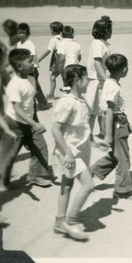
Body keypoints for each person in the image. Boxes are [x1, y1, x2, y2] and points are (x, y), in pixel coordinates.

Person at [0, 49, 54, 190]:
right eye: (30, 61)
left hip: (29, 121)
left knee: (41, 147)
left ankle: (35, 175)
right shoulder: (14, 84)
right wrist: (34, 123)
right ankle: (1, 180)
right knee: (10, 154)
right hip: (15, 124)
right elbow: (17, 109)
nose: (34, 63)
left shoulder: (32, 78)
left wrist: (36, 113)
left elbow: (30, 100)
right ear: (19, 66)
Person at [89, 54, 132, 201]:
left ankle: (93, 171)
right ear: (124, 70)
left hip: (117, 121)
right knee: (123, 157)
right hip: (116, 123)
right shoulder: (113, 86)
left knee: (117, 155)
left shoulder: (110, 82)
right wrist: (109, 134)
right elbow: (110, 110)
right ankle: (123, 189)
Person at [52, 64, 94, 241]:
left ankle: (59, 222)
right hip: (70, 153)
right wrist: (68, 153)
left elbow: (80, 128)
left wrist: (96, 140)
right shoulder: (67, 102)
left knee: (67, 185)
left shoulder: (80, 100)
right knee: (89, 185)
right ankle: (71, 220)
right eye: (86, 78)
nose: (88, 81)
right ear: (77, 81)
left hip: (78, 150)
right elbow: (55, 129)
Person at [86, 16, 112, 138]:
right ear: (105, 31)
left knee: (100, 109)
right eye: (110, 29)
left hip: (100, 80)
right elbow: (97, 63)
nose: (111, 32)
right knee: (92, 110)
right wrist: (107, 81)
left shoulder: (102, 43)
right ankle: (88, 135)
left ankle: (102, 133)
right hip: (95, 81)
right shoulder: (97, 44)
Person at [17, 22, 51, 111]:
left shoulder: (29, 44)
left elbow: (31, 56)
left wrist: (26, 65)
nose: (21, 35)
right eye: (19, 32)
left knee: (35, 87)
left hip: (31, 68)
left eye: (23, 33)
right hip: (23, 68)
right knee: (28, 86)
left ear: (27, 34)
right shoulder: (19, 44)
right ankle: (32, 104)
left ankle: (43, 104)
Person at [38, 21, 64, 100]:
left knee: (54, 77)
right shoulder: (63, 37)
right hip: (65, 58)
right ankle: (51, 94)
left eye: (51, 29)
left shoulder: (54, 39)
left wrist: (39, 59)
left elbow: (48, 50)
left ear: (53, 30)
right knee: (55, 77)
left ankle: (52, 94)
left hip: (58, 60)